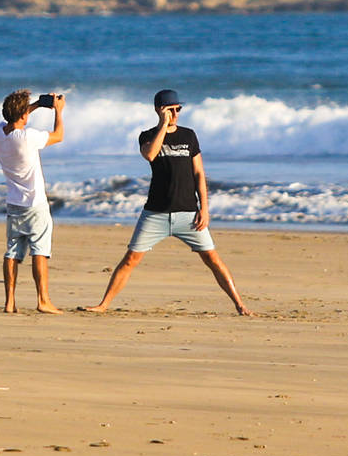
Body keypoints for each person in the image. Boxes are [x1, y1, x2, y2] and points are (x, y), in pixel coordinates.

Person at [83, 89, 253, 316]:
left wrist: (205, 208)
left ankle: (240, 305)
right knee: (130, 259)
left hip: (189, 214)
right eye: (170, 109)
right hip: (156, 213)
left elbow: (199, 173)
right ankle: (103, 305)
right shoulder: (147, 135)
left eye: (178, 109)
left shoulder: (189, 136)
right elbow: (150, 155)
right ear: (158, 110)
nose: (175, 113)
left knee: (212, 259)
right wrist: (163, 125)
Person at [0, 89, 65, 314]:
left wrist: (36, 105)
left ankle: (9, 301)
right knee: (39, 251)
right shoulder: (27, 137)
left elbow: (14, 117)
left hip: (13, 202)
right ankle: (43, 300)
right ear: (23, 115)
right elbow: (59, 135)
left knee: (12, 252)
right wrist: (59, 111)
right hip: (35, 203)